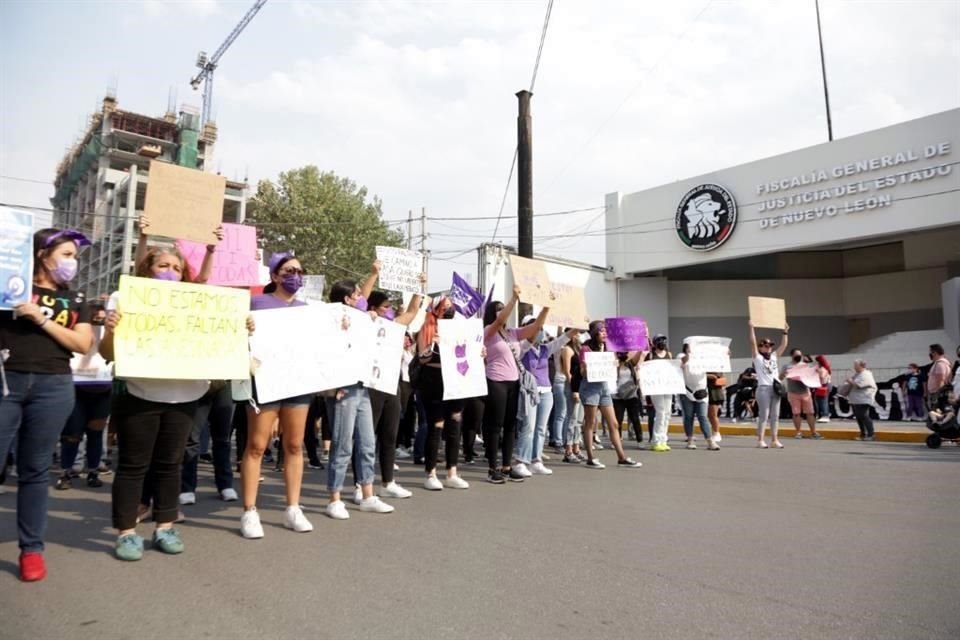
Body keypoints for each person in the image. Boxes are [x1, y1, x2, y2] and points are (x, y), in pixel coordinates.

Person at [101, 242, 240, 560]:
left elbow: (220, 344)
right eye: (163, 266)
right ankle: (126, 532)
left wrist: (239, 329)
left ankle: (165, 526)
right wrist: (110, 332)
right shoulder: (124, 299)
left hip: (185, 396)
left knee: (170, 465)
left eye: (177, 268)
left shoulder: (196, 305)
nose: (170, 273)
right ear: (147, 268)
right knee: (134, 465)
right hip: (140, 393)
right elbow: (107, 354)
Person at [0, 228, 94, 581]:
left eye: (75, 257)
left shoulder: (78, 298)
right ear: (42, 254)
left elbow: (82, 344)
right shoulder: (9, 286)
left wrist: (40, 318)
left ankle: (31, 550)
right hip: (7, 381)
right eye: (67, 254)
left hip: (53, 386)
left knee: (35, 470)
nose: (73, 263)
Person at [324, 264, 395, 519]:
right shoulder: (332, 319)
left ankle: (367, 494)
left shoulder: (361, 319)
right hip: (343, 389)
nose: (362, 300)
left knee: (367, 443)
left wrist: (374, 274)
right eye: (356, 296)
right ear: (346, 299)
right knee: (342, 445)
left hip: (363, 387)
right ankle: (334, 498)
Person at [363, 287, 423, 499]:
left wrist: (418, 288)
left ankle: (388, 482)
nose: (390, 310)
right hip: (371, 384)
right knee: (366, 437)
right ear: (373, 308)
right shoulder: (365, 322)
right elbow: (361, 298)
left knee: (390, 435)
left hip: (392, 384)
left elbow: (413, 311)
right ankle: (361, 484)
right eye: (385, 307)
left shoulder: (394, 326)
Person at [481, 286, 543, 483]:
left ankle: (507, 466)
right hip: (496, 381)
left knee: (510, 426)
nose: (503, 311)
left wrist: (547, 308)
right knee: (495, 425)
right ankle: (493, 468)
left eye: (504, 307)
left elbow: (535, 328)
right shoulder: (488, 332)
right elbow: (499, 319)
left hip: (514, 383)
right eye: (498, 308)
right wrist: (514, 297)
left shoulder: (512, 333)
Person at [414, 296, 471, 491]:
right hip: (433, 380)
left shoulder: (460, 328)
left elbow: (469, 351)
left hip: (455, 381)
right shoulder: (427, 328)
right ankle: (431, 472)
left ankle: (452, 472)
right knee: (436, 426)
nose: (449, 309)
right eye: (445, 306)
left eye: (451, 306)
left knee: (455, 424)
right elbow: (422, 358)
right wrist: (434, 346)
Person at [57, 303, 111, 490]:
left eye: (101, 317)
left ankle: (93, 472)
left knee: (96, 433)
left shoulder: (109, 331)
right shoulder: (74, 329)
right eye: (94, 316)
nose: (98, 319)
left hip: (102, 389)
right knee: (72, 434)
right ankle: (66, 473)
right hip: (76, 388)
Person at [514, 317, 577, 476]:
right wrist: (532, 331)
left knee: (541, 429)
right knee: (528, 427)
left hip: (546, 391)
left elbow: (563, 339)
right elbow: (527, 343)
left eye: (541, 328)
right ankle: (521, 461)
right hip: (529, 391)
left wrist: (577, 326)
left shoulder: (545, 349)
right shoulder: (522, 347)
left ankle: (536, 460)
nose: (540, 332)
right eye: (536, 328)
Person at [578, 320, 642, 469]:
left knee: (613, 423)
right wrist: (590, 368)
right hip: (590, 388)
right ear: (594, 333)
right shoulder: (586, 349)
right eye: (601, 331)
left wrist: (612, 364)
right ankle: (590, 457)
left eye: (606, 331)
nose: (605, 334)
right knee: (590, 422)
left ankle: (622, 457)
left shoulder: (608, 348)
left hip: (604, 388)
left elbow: (617, 363)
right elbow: (582, 372)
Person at [749, 320, 789, 449]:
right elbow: (752, 343)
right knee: (764, 415)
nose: (768, 347)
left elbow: (783, 345)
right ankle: (760, 440)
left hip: (775, 388)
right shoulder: (758, 358)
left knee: (775, 416)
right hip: (763, 388)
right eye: (765, 345)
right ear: (761, 347)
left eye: (770, 345)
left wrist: (785, 332)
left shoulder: (773, 356)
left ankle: (774, 440)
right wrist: (751, 328)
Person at [680, 344, 719, 450]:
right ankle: (690, 439)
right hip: (687, 392)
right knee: (689, 417)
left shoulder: (703, 358)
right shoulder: (681, 356)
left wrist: (724, 355)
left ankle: (710, 441)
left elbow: (716, 362)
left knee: (703, 417)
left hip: (702, 392)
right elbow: (681, 363)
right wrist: (689, 355)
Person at [783, 348, 823, 440]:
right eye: (797, 355)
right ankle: (798, 432)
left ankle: (813, 432)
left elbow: (812, 376)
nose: (799, 357)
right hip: (793, 393)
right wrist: (784, 374)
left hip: (805, 392)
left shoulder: (805, 365)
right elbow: (781, 377)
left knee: (810, 413)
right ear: (792, 355)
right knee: (796, 413)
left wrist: (817, 372)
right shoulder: (787, 366)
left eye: (800, 355)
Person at [644, 333, 674, 452]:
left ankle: (663, 440)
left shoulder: (669, 354)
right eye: (660, 340)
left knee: (667, 414)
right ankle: (656, 440)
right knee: (660, 413)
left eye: (664, 340)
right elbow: (645, 369)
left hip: (667, 386)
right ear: (655, 343)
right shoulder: (651, 355)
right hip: (656, 387)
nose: (662, 342)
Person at [561, 331, 586, 463]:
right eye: (575, 333)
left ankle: (576, 447)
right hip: (572, 386)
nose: (578, 336)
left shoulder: (579, 350)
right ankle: (568, 449)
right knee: (572, 418)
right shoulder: (567, 349)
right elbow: (567, 371)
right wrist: (573, 389)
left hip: (581, 386)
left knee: (579, 420)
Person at [612, 350, 644, 447]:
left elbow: (638, 355)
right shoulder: (613, 366)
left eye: (625, 353)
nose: (623, 355)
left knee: (635, 419)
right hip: (618, 397)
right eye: (621, 353)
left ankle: (640, 440)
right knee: (618, 419)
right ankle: (617, 440)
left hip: (631, 396)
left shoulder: (630, 364)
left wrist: (641, 347)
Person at [846, 360, 878, 441]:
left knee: (864, 416)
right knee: (859, 417)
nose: (854, 367)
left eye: (856, 365)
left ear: (861, 366)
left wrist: (850, 381)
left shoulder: (866, 374)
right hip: (856, 400)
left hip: (864, 399)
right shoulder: (857, 374)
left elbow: (859, 385)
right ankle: (863, 434)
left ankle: (871, 434)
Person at [926, 344, 952, 412]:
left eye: (931, 352)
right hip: (939, 392)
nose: (930, 354)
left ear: (935, 352)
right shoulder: (944, 363)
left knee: (936, 412)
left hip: (937, 393)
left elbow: (941, 380)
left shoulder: (940, 364)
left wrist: (938, 394)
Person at [813, 355, 832, 424]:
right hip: (823, 386)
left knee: (822, 401)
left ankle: (825, 415)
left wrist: (818, 372)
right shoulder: (825, 368)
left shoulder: (822, 369)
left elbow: (822, 377)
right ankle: (822, 414)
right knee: (820, 401)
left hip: (823, 386)